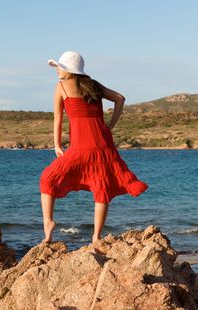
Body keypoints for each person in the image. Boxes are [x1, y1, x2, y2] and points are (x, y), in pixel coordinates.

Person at [40, 51, 148, 243]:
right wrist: (110, 125)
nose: (56, 70)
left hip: (81, 145)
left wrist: (57, 144)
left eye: (59, 67)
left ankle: (48, 224)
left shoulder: (62, 87)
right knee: (101, 186)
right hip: (103, 142)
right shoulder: (95, 85)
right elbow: (120, 98)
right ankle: (96, 237)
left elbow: (58, 119)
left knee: (47, 179)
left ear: (68, 70)